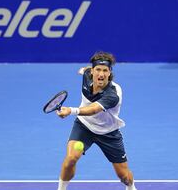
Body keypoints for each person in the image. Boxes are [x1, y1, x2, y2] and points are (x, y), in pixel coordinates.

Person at [56, 51, 137, 190]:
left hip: (108, 133)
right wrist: (83, 70)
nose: (101, 74)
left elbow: (93, 109)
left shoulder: (113, 94)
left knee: (124, 176)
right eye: (98, 70)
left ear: (110, 72)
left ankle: (131, 187)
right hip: (84, 127)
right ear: (92, 71)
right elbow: (85, 70)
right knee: (70, 159)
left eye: (105, 70)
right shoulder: (88, 75)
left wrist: (71, 110)